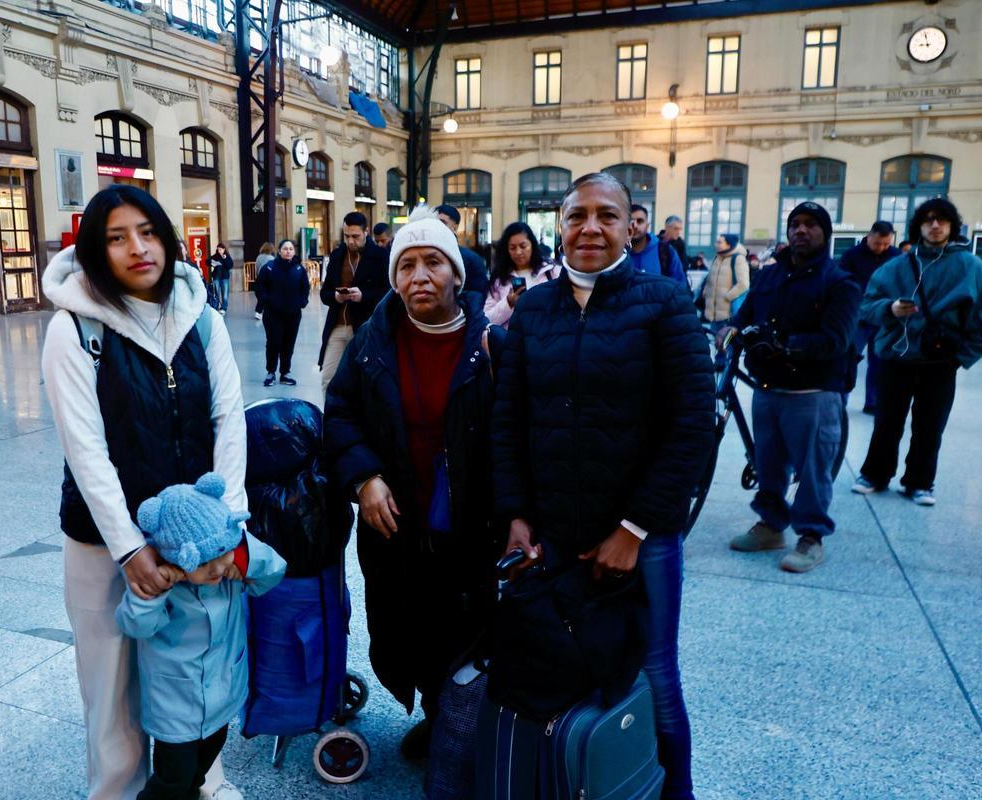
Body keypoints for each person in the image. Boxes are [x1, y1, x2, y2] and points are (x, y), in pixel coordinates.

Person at [491, 173, 714, 800]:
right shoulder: (534, 308)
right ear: (558, 225)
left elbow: (691, 426)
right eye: (577, 215)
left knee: (655, 673)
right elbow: (510, 421)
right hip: (556, 528)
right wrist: (515, 514)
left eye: (606, 216)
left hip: (643, 537)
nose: (590, 227)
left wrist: (634, 529)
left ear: (629, 225)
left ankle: (675, 791)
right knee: (566, 661)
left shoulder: (664, 303)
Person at [40, 185, 248, 800]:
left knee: (200, 663)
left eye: (148, 231)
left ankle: (206, 776)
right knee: (110, 684)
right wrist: (130, 550)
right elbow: (86, 452)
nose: (137, 248)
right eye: (116, 237)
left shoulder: (202, 317)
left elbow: (228, 419)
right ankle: (118, 792)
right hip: (103, 543)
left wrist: (226, 524)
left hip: (195, 536)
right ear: (94, 251)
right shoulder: (73, 328)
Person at [324, 204, 498, 760]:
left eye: (432, 263)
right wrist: (364, 478)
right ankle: (432, 712)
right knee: (405, 619)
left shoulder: (490, 343)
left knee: (466, 623)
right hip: (394, 516)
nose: (418, 277)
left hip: (469, 518)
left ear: (456, 273)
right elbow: (341, 412)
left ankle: (460, 724)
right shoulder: (376, 336)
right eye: (406, 266)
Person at [116, 475, 286, 800]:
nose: (219, 567)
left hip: (223, 697)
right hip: (177, 707)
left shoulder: (230, 573)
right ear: (176, 559)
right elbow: (137, 626)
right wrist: (151, 593)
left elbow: (275, 571)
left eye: (224, 553)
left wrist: (244, 559)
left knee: (198, 770)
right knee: (172, 782)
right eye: (205, 562)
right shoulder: (167, 589)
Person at [718, 202, 861, 573]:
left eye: (811, 224)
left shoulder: (839, 282)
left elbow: (837, 339)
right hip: (767, 388)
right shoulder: (770, 275)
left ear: (825, 233)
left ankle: (811, 537)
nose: (801, 230)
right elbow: (746, 314)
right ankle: (771, 526)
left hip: (812, 393)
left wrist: (785, 343)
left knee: (814, 469)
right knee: (768, 463)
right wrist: (732, 328)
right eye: (795, 224)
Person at [854, 198, 982, 506]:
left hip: (940, 359)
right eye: (928, 220)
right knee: (887, 420)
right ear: (918, 226)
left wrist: (962, 357)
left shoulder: (971, 267)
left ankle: (920, 482)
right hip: (897, 357)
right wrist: (890, 308)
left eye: (942, 220)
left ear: (952, 225)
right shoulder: (896, 266)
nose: (935, 225)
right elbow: (865, 306)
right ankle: (875, 473)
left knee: (930, 424)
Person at [318, 211, 389, 395]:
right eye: (346, 236)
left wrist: (363, 295)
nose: (350, 241)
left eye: (355, 236)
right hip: (337, 325)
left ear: (366, 232)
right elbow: (324, 293)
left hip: (365, 326)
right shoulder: (337, 256)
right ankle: (331, 420)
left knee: (363, 380)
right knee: (329, 377)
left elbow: (389, 293)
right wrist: (336, 296)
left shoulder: (381, 257)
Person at [837, 221, 899, 414]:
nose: (881, 248)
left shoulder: (897, 257)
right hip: (857, 318)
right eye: (878, 243)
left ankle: (873, 402)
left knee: (879, 362)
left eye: (886, 244)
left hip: (884, 318)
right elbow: (842, 283)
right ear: (869, 236)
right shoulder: (851, 256)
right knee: (848, 359)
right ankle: (840, 400)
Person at [483, 221, 559, 328]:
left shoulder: (551, 271)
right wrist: (508, 304)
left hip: (547, 339)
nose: (518, 252)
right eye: (512, 248)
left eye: (523, 246)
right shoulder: (500, 278)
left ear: (532, 245)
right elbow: (487, 319)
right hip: (511, 340)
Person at [255, 238, 309, 387]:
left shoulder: (299, 269)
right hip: (273, 314)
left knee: (288, 344)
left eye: (291, 249)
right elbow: (259, 286)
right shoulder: (269, 267)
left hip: (293, 314)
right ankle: (270, 372)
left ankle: (285, 372)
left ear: (294, 252)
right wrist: (266, 300)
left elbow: (305, 288)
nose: (288, 251)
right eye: (285, 248)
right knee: (273, 343)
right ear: (279, 251)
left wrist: (302, 302)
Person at [433, 204, 489, 295]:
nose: (437, 227)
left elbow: (479, 294)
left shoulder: (471, 259)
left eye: (442, 222)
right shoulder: (423, 254)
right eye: (434, 222)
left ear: (454, 228)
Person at [700, 233, 750, 334]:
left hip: (728, 314)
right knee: (716, 343)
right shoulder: (718, 258)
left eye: (720, 242)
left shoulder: (738, 259)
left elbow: (743, 284)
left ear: (729, 244)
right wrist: (706, 292)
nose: (716, 244)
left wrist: (727, 297)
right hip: (714, 314)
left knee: (726, 346)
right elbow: (710, 279)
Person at [628, 205, 687, 285]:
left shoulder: (667, 251)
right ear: (667, 227)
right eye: (630, 221)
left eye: (640, 221)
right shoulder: (617, 252)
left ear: (647, 225)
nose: (635, 225)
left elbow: (680, 283)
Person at [207, 242, 235, 315]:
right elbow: (207, 261)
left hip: (225, 278)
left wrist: (225, 259)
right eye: (218, 249)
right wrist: (211, 262)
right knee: (216, 293)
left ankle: (223, 308)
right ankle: (215, 307)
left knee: (225, 294)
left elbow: (230, 266)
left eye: (221, 250)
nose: (219, 251)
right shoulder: (215, 256)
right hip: (216, 277)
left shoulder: (227, 257)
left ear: (224, 249)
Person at [253, 242, 275, 321]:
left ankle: (260, 311)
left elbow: (257, 268)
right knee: (267, 296)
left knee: (261, 296)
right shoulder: (271, 258)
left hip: (259, 278)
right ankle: (259, 311)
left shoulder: (258, 257)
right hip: (268, 280)